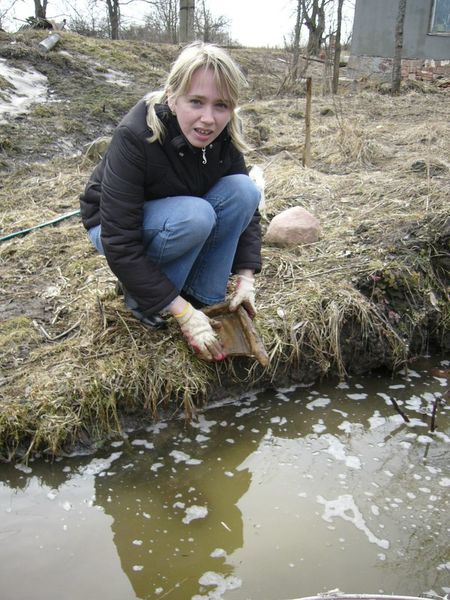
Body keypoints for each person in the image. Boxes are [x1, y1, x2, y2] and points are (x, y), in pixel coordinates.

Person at [80, 42, 262, 362]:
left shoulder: (224, 134)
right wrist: (183, 314)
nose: (208, 119)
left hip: (181, 216)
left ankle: (205, 296)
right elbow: (120, 241)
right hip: (113, 227)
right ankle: (145, 301)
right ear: (172, 97)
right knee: (196, 216)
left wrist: (246, 277)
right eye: (196, 102)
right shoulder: (136, 135)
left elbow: (244, 210)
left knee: (245, 190)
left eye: (221, 105)